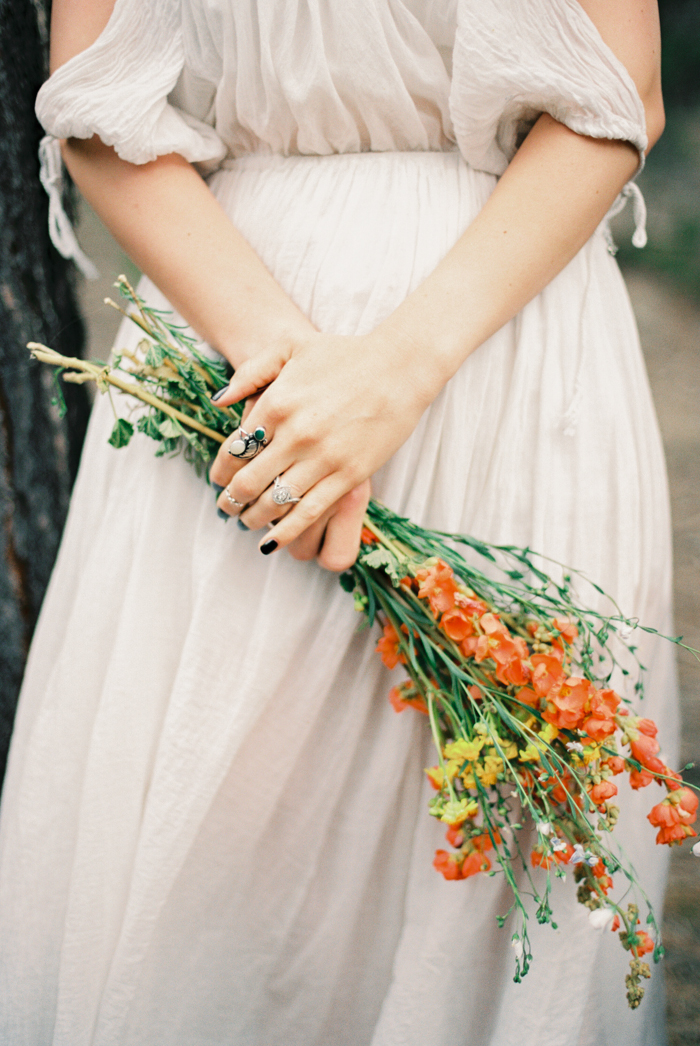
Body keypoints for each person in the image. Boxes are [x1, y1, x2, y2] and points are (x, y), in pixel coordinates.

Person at [0, 1, 678, 1043]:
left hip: (498, 335)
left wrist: (393, 375)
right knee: (208, 885)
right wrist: (291, 385)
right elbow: (96, 97)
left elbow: (616, 93)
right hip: (233, 342)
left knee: (488, 886)